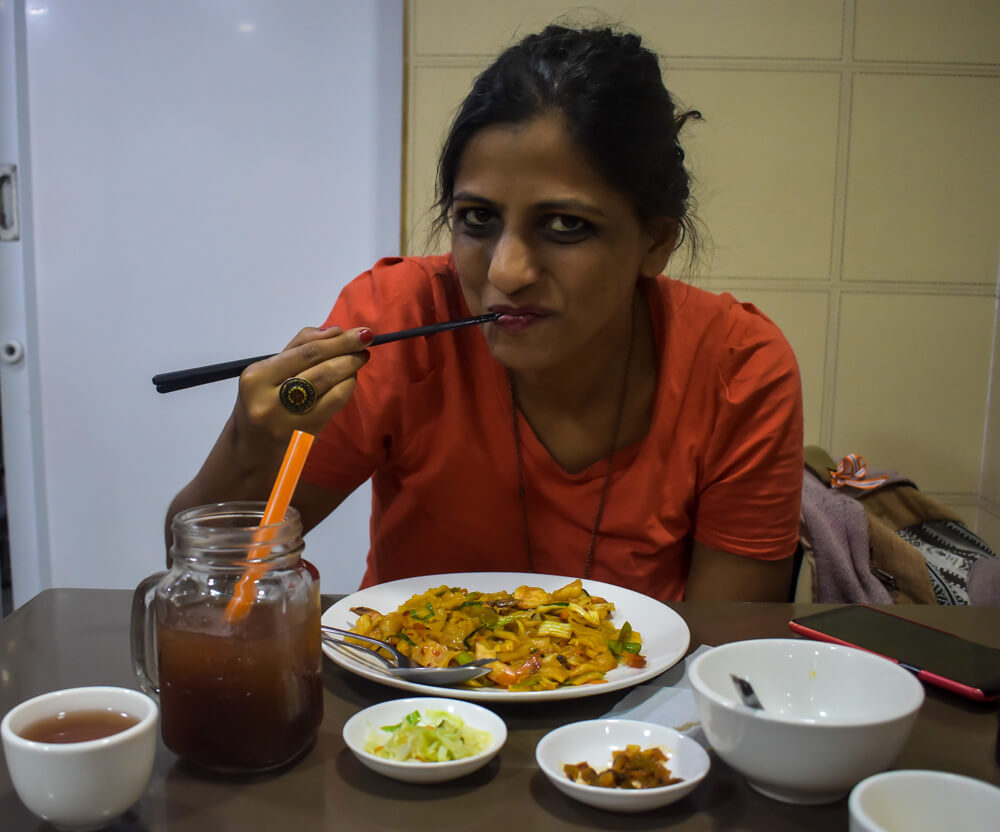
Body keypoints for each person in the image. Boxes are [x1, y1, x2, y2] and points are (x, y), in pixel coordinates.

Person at [167, 25, 804, 602]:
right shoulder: (395, 322)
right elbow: (200, 574)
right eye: (478, 219)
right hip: (408, 705)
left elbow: (728, 647)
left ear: (654, 241)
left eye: (565, 224)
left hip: (635, 725)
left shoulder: (738, 369)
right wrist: (251, 443)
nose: (506, 272)